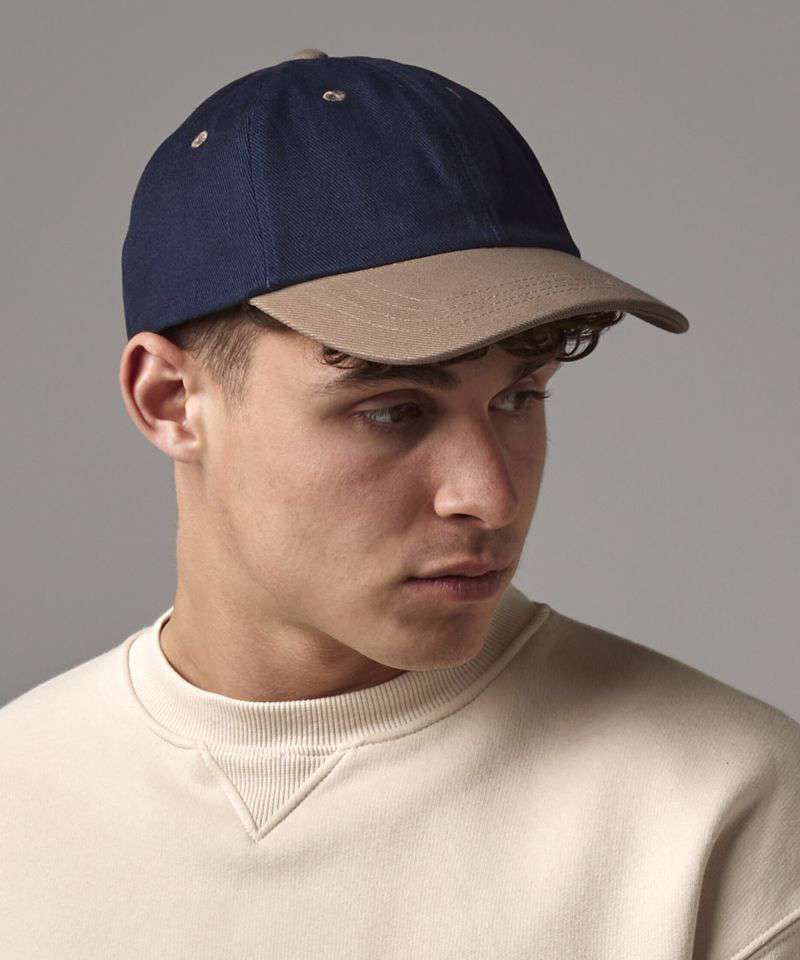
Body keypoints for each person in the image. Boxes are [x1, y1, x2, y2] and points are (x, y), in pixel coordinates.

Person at [1, 49, 798, 960]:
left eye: (519, 397)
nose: (489, 496)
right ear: (171, 401)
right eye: (392, 410)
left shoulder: (723, 814)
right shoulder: (19, 801)